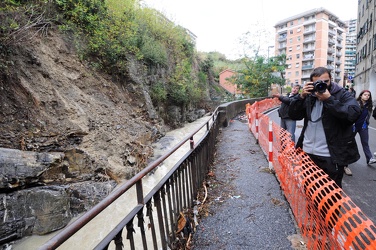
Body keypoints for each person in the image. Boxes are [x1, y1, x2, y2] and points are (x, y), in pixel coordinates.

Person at [288, 67, 361, 188]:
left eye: (325, 82)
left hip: (330, 155)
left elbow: (353, 115)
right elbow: (293, 115)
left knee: (331, 194)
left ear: (331, 80)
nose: (322, 85)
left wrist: (329, 100)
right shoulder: (310, 95)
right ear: (312, 83)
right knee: (310, 190)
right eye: (318, 83)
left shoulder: (342, 94)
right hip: (307, 153)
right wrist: (301, 97)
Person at [344, 90, 376, 175]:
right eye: (365, 95)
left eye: (368, 95)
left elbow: (368, 116)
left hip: (363, 127)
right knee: (348, 144)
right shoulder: (355, 103)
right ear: (361, 95)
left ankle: (369, 159)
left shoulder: (369, 105)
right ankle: (345, 165)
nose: (367, 96)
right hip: (353, 126)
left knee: (365, 143)